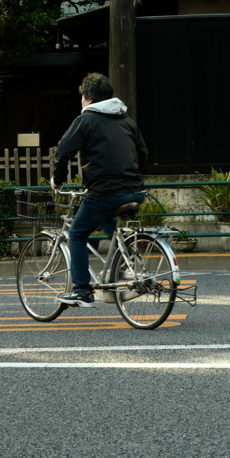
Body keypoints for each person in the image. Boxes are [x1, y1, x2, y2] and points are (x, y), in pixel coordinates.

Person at [51, 72, 148, 308]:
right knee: (107, 220)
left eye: (82, 97)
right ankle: (127, 263)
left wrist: (57, 179)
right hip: (135, 190)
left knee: (77, 233)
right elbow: (142, 153)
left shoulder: (86, 120)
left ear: (89, 98)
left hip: (106, 191)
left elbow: (64, 150)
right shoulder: (127, 121)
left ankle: (82, 291)